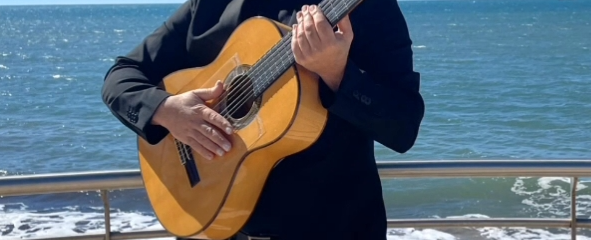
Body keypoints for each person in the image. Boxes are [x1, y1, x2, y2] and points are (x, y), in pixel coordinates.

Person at [100, 0, 425, 239]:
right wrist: (167, 109)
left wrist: (337, 73)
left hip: (331, 228)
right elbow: (121, 76)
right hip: (212, 226)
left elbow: (404, 127)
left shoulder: (364, 9)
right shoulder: (208, 7)